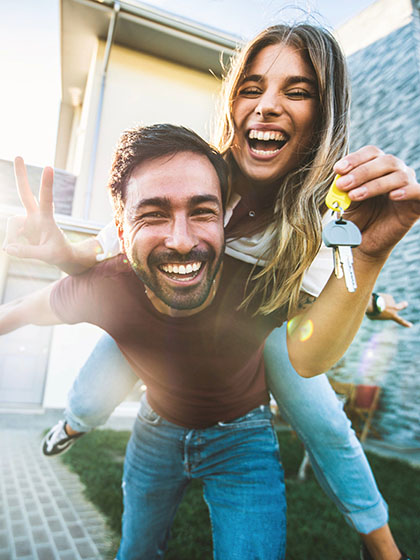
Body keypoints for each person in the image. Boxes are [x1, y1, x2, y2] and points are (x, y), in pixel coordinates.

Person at [4, 23, 418, 560]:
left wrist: (370, 261)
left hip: (253, 325)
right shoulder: (187, 176)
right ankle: (73, 424)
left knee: (325, 422)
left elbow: (311, 344)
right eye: (252, 87)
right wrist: (58, 247)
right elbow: (95, 262)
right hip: (167, 315)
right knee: (105, 368)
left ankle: (380, 542)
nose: (268, 106)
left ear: (323, 115)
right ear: (233, 101)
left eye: (296, 91)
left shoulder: (324, 215)